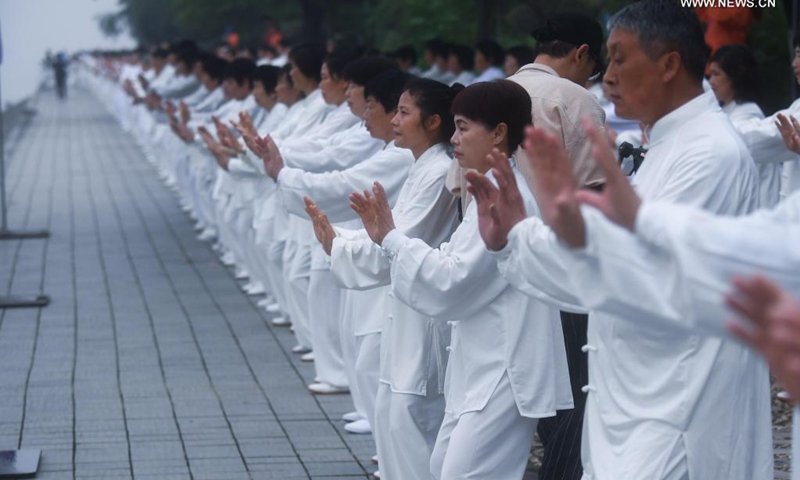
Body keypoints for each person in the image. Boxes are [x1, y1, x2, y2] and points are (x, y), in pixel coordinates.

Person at [465, 1, 771, 479]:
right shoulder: (672, 144)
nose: (607, 76)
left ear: (669, 64)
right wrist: (516, 239)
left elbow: (634, 269)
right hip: (642, 397)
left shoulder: (709, 152)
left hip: (681, 404)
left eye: (621, 58)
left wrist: (523, 238)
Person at [344, 80, 573, 480]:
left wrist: (392, 238)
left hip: (507, 365)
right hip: (481, 361)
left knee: (465, 473)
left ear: (499, 133)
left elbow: (453, 281)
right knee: (443, 465)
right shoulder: (490, 186)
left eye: (464, 127)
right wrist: (391, 238)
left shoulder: (504, 193)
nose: (453, 138)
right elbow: (453, 263)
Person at [309, 78, 461, 480]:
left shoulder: (440, 171)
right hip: (407, 307)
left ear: (432, 122)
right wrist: (339, 237)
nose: (394, 120)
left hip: (425, 310)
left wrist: (341, 245)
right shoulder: (423, 165)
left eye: (404, 112)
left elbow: (400, 238)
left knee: (412, 416)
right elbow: (389, 232)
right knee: (393, 412)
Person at [504, 12, 606, 480]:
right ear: (582, 53)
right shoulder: (576, 99)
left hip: (496, 261)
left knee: (513, 379)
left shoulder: (492, 95)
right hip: (561, 265)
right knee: (570, 386)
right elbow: (596, 193)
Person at [708, 45, 777, 207]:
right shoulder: (726, 110)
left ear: (735, 77)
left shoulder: (749, 114)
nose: (710, 82)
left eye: (716, 74)